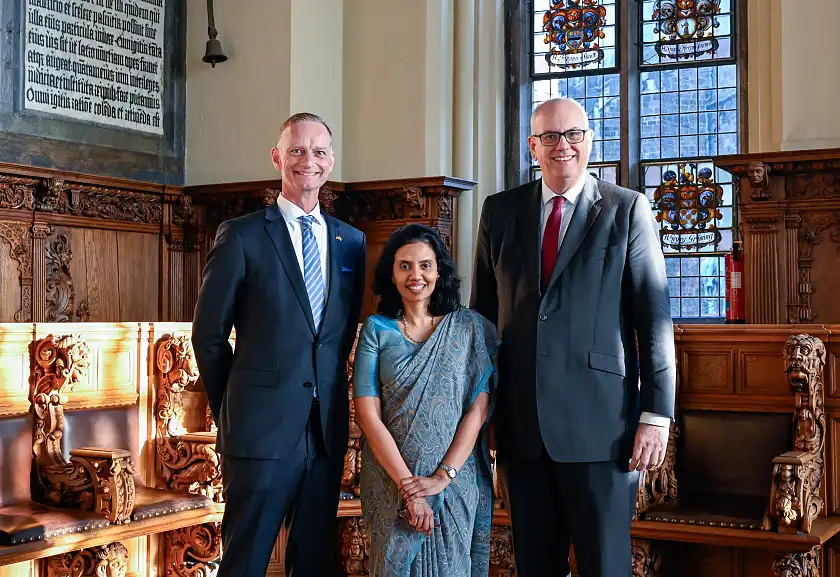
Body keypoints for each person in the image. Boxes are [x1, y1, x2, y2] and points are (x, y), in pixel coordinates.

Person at [470, 97, 677, 577]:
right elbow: (481, 320)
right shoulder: (499, 212)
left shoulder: (627, 209)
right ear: (532, 147)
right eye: (550, 137)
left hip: (604, 429)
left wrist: (657, 414)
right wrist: (484, 409)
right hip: (521, 427)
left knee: (605, 566)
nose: (563, 146)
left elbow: (654, 320)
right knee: (534, 566)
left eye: (573, 135)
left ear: (589, 140)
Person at [192, 112, 367, 576]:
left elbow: (340, 334)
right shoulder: (243, 235)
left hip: (324, 434)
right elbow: (208, 336)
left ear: (331, 161)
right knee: (246, 562)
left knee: (312, 563)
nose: (307, 160)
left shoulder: (351, 242)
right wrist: (234, 408)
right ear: (277, 158)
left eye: (318, 151)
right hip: (259, 432)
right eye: (296, 150)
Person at [352, 223, 499, 576]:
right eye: (404, 266)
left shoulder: (467, 329)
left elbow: (477, 411)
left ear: (439, 271)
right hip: (392, 482)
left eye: (425, 265)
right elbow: (368, 415)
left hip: (454, 482)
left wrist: (441, 478)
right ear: (392, 273)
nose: (415, 275)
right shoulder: (378, 329)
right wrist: (410, 488)